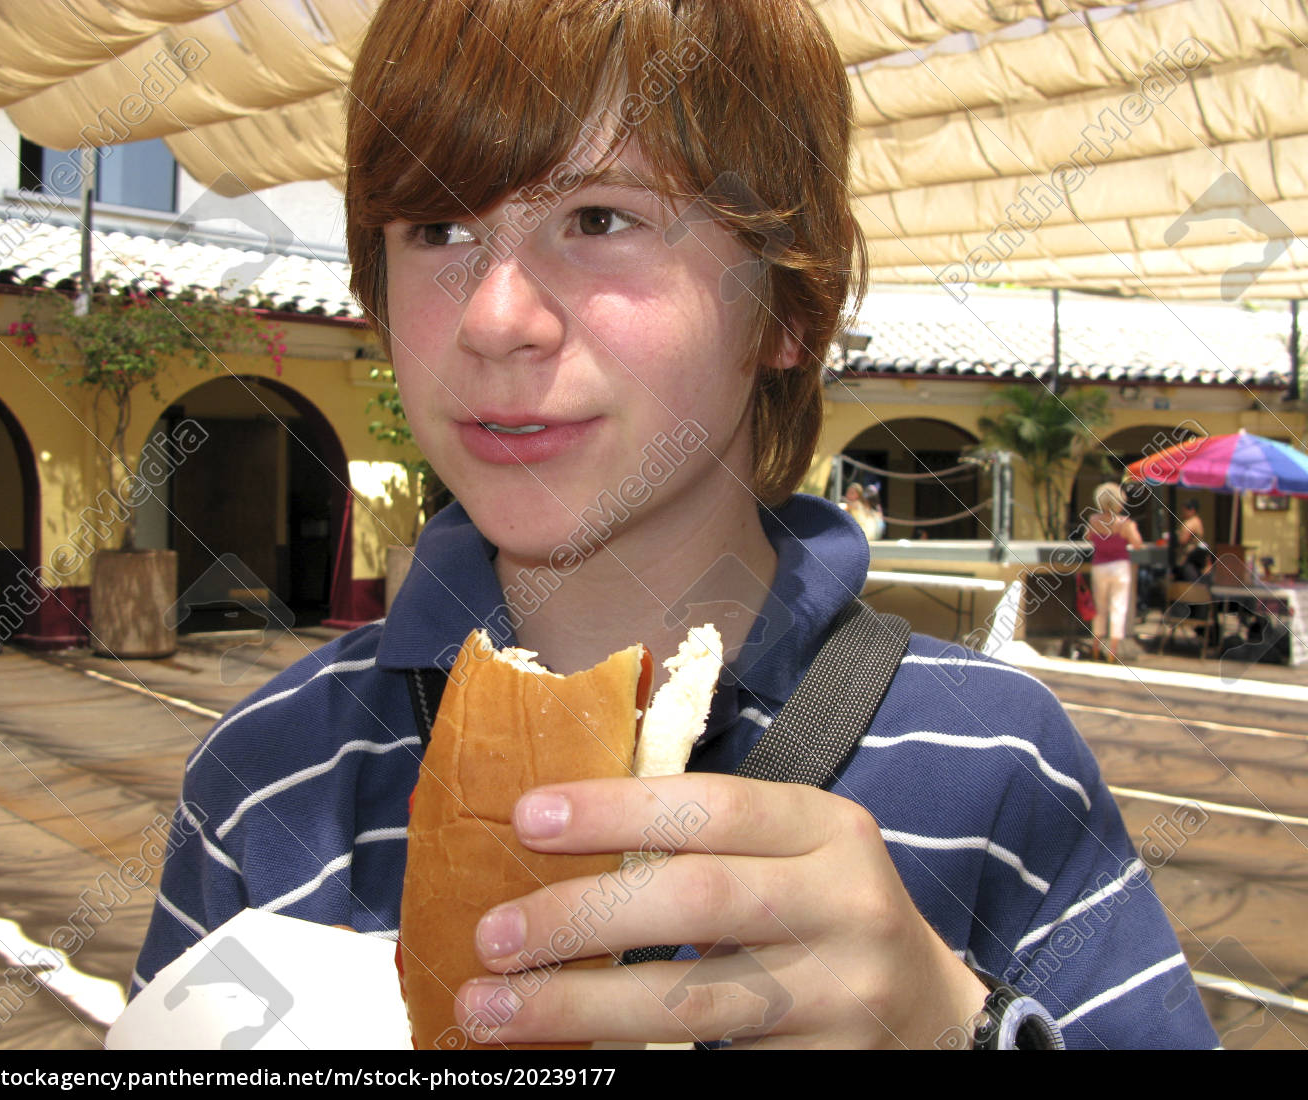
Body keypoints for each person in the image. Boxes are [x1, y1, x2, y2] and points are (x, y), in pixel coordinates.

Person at [132, 0, 1216, 1049]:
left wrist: (949, 1028)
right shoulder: (273, 779)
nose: (493, 316)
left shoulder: (997, 765)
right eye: (438, 226)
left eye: (600, 218)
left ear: (792, 304)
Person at [1085, 482, 1145, 663]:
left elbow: (1089, 537)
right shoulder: (1124, 523)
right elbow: (1137, 543)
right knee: (1118, 607)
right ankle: (1113, 651)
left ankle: (1095, 647)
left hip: (1099, 566)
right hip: (1119, 567)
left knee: (1099, 608)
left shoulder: (1094, 520)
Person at [1174, 501, 1211, 581]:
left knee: (1188, 578)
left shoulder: (1191, 523)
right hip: (1192, 555)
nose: (1183, 512)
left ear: (1192, 510)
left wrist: (1175, 539)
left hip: (1189, 555)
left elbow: (1183, 540)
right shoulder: (1197, 521)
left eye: (1185, 510)